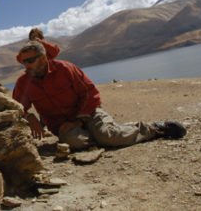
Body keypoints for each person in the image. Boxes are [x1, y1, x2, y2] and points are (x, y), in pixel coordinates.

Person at [12, 41, 186, 151]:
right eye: (23, 62)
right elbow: (15, 108)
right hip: (63, 127)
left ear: (43, 58)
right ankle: (109, 134)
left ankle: (153, 129)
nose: (26, 65)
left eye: (30, 60)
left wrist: (79, 121)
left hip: (89, 113)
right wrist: (29, 116)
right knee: (76, 142)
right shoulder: (23, 82)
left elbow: (90, 94)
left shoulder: (65, 69)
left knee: (107, 136)